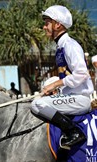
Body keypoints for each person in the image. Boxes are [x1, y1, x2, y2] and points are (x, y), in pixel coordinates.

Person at [31, 5, 94, 150]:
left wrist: (55, 84)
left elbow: (82, 74)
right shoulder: (61, 46)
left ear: (57, 24)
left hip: (80, 99)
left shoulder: (70, 45)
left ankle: (73, 132)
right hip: (72, 97)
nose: (44, 27)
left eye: (47, 23)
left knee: (37, 105)